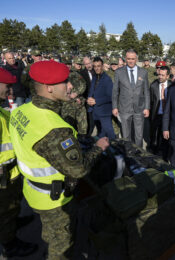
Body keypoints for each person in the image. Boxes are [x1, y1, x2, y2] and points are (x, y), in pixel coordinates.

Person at [9, 60, 109, 259]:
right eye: (65, 82)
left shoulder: (21, 111)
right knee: (61, 245)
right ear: (49, 89)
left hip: (32, 191)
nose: (70, 86)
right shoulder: (55, 129)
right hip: (54, 200)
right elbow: (78, 170)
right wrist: (98, 148)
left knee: (50, 232)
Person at [0, 68, 38, 258]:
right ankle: (10, 244)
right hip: (3, 176)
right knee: (7, 209)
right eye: (6, 86)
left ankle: (12, 224)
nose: (10, 91)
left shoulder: (1, 110)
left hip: (9, 172)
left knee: (13, 206)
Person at [112, 49, 150, 147]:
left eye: (133, 59)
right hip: (124, 108)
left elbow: (146, 91)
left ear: (137, 59)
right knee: (126, 135)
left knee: (138, 135)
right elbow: (115, 91)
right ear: (125, 59)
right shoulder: (119, 72)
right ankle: (128, 155)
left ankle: (139, 156)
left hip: (139, 108)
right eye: (128, 59)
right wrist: (114, 107)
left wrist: (147, 107)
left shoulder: (143, 72)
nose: (131, 61)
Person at [87, 57, 115, 139]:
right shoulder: (95, 77)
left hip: (104, 112)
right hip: (95, 111)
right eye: (95, 66)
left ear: (102, 66)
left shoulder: (107, 79)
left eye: (98, 66)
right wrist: (89, 98)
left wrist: (96, 101)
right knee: (101, 134)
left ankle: (114, 150)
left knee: (110, 135)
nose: (96, 68)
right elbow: (92, 91)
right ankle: (103, 150)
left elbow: (110, 97)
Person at [150, 66, 172, 159]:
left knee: (166, 137)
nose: (160, 77)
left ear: (168, 76)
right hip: (157, 114)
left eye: (163, 75)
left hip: (168, 116)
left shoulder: (173, 86)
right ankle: (155, 155)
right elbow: (151, 101)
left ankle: (165, 156)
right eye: (159, 74)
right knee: (155, 136)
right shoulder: (153, 85)